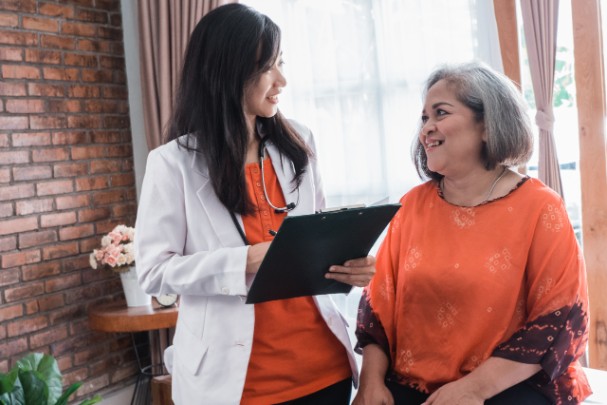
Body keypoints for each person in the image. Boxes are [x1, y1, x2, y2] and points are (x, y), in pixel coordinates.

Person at [134, 4, 376, 404]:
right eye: (268, 67)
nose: (281, 80)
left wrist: (348, 267)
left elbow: (316, 238)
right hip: (238, 384)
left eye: (281, 63)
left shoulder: (299, 141)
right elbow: (155, 272)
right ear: (227, 72)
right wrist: (245, 259)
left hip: (325, 370)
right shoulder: (173, 163)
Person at [353, 62, 591, 405]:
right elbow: (377, 307)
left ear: (486, 124)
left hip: (507, 386)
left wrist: (472, 390)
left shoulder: (540, 207)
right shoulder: (412, 205)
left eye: (440, 113)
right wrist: (370, 382)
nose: (426, 129)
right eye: (424, 118)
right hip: (409, 386)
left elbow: (558, 318)